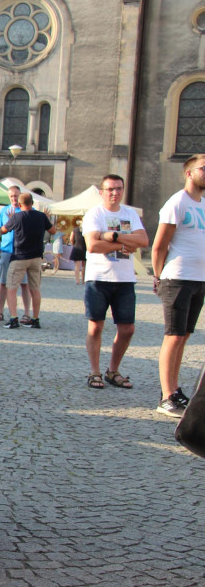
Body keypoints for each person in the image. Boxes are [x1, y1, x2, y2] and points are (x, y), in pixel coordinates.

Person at [82, 174, 149, 390]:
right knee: (95, 328)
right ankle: (95, 372)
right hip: (98, 278)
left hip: (125, 279)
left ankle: (113, 370)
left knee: (128, 329)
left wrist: (113, 237)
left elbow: (143, 241)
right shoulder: (94, 214)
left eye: (118, 189)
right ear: (102, 192)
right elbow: (92, 246)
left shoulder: (130, 213)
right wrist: (124, 244)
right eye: (110, 189)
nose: (115, 193)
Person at [151, 154, 205, 417]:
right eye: (204, 168)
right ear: (188, 173)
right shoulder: (177, 202)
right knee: (172, 336)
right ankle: (165, 396)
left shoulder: (203, 203)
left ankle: (175, 389)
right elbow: (160, 244)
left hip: (199, 278)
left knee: (184, 336)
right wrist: (159, 276)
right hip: (177, 277)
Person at [0, 193, 55, 329]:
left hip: (19, 257)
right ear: (32, 203)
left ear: (19, 204)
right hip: (36, 258)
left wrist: (11, 219)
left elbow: (3, 230)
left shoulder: (17, 217)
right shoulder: (40, 216)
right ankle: (35, 319)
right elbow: (53, 230)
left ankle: (13, 318)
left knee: (11, 288)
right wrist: (46, 219)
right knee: (35, 289)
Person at [0, 186, 33, 323]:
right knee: (3, 282)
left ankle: (27, 313)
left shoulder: (26, 211)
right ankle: (0, 311)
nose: (14, 199)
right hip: (6, 250)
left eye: (16, 196)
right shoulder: (4, 210)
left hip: (22, 252)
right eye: (11, 196)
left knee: (24, 283)